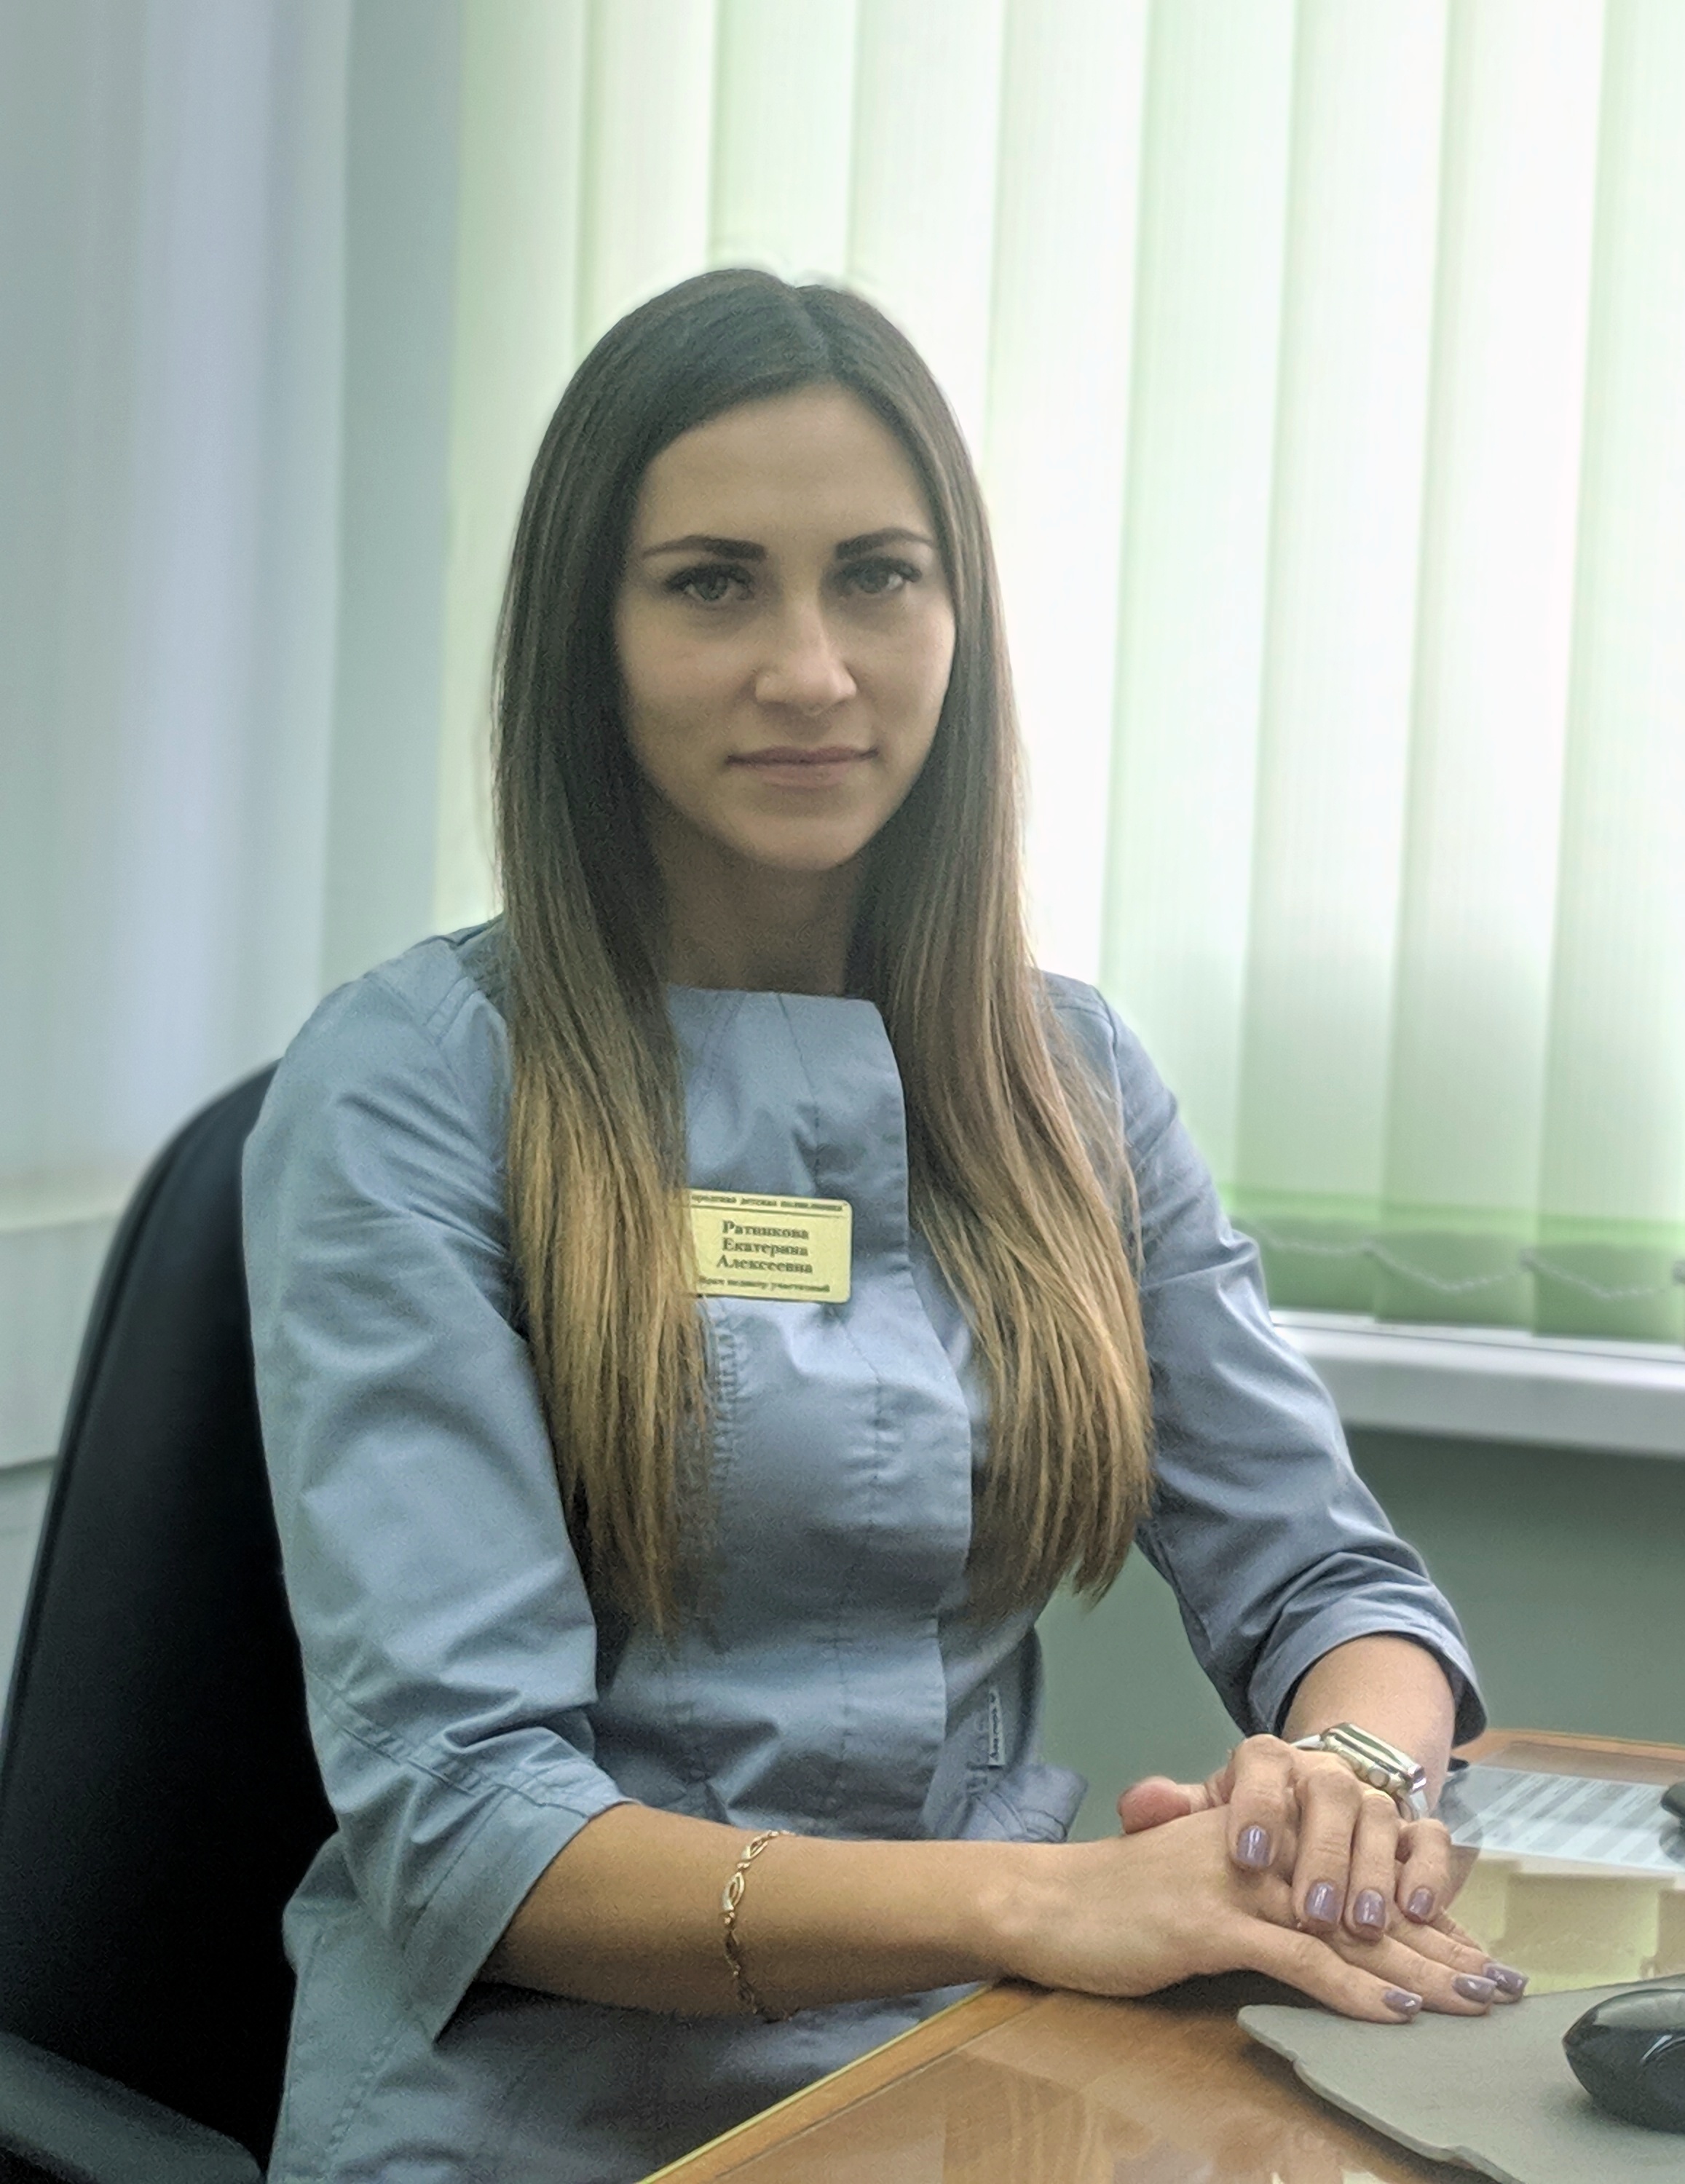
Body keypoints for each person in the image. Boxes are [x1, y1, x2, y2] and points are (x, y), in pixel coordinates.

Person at [241, 268, 1515, 2182]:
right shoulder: (413, 1087)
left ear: (957, 618)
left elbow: (1338, 1589)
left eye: (877, 578)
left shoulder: (1067, 1076)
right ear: (590, 640)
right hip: (547, 2116)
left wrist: (1337, 1778)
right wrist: (1048, 1905)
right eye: (712, 586)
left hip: (981, 2067)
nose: (814, 671)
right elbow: (466, 1826)